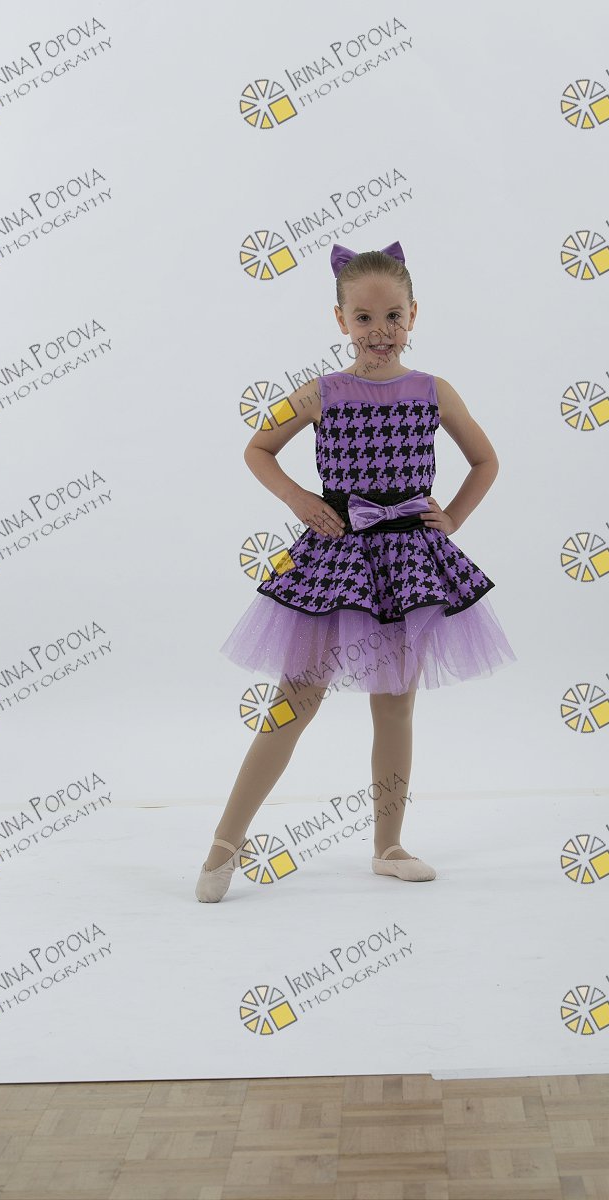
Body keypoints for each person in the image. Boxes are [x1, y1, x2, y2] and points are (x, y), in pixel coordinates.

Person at [195, 239, 518, 902]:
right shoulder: (323, 393)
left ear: (413, 315)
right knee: (295, 699)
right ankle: (226, 842)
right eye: (364, 317)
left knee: (395, 702)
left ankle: (388, 844)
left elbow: (485, 460)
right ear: (340, 319)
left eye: (393, 316)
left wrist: (452, 518)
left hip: (407, 561)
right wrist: (300, 500)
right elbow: (259, 448)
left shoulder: (433, 391)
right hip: (338, 558)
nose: (380, 331)